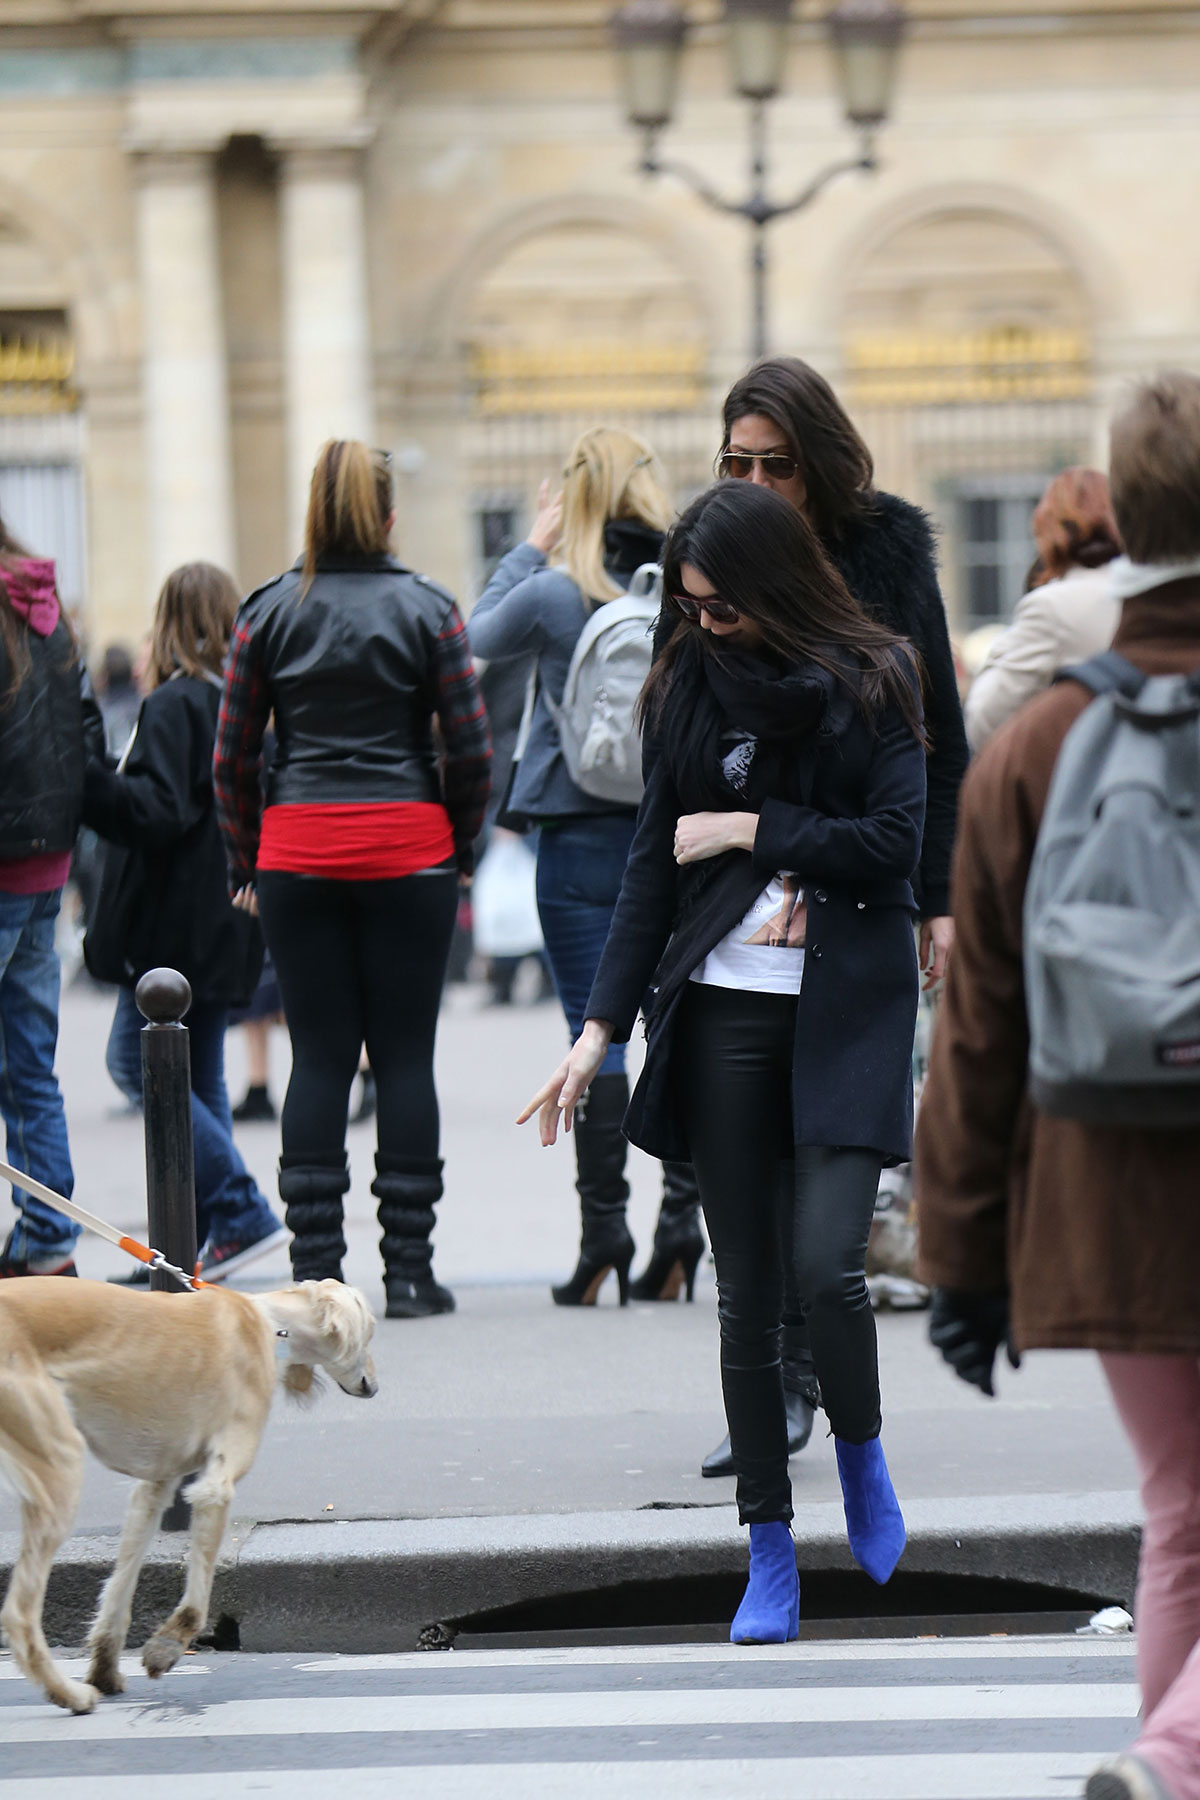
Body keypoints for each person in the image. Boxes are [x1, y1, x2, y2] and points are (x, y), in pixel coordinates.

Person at [521, 479, 926, 1642]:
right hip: (723, 1015)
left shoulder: (873, 678)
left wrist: (756, 831)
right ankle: (768, 1554)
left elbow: (893, 843)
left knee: (826, 1271)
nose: (704, 625)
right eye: (690, 608)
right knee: (746, 1302)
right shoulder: (686, 680)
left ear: (774, 586)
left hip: (843, 1011)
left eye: (723, 607)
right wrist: (594, 1034)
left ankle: (860, 1456)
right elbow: (654, 866)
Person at [914, 372, 1200, 1800]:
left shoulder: (1032, 741)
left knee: (1182, 1519)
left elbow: (977, 1025)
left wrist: (961, 1257)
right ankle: (1174, 1755)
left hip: (1110, 1172)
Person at [659, 355, 969, 1475]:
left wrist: (933, 897)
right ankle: (782, 1383)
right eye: (735, 462)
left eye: (774, 464)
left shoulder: (886, 558)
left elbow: (935, 739)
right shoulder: (708, 570)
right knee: (748, 1183)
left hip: (851, 890)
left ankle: (825, 1391)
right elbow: (680, 753)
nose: (753, 479)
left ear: (819, 467)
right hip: (740, 908)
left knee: (824, 1181)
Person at [213, 439, 491, 1317]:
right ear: (387, 516)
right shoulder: (431, 608)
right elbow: (472, 750)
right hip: (410, 844)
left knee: (320, 1056)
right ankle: (408, 1272)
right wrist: (463, 849)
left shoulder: (266, 612)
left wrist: (245, 857)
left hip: (297, 847)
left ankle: (319, 1276)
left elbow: (232, 758)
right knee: (406, 1057)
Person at [468, 426, 702, 1306]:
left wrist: (532, 540)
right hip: (671, 830)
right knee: (679, 1023)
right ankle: (681, 1226)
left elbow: (478, 636)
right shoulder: (690, 581)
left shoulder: (560, 590)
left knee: (590, 1033)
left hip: (572, 828)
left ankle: (603, 1234)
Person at [82, 562, 287, 1281]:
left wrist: (88, 778)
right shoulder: (245, 702)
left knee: (135, 1067)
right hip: (231, 919)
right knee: (199, 1084)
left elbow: (154, 811)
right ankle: (187, 1253)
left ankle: (239, 1210)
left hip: (175, 930)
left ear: (169, 622)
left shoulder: (173, 705)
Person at [0, 516, 102, 1276]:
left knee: (27, 1064)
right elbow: (86, 732)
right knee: (31, 1063)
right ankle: (47, 1240)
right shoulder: (47, 610)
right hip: (46, 867)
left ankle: (45, 1236)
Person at [965, 466, 1123, 750]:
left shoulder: (1052, 606)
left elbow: (984, 721)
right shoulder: (1150, 592)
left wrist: (1003, 646)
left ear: (1049, 529)